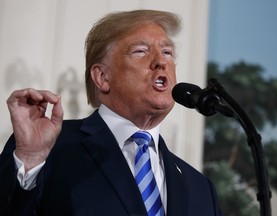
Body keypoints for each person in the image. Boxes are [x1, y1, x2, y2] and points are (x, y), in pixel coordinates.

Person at [0, 9, 222, 216]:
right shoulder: (50, 147)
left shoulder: (201, 188)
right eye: (141, 51)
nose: (161, 61)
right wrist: (30, 160)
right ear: (102, 77)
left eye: (167, 51)